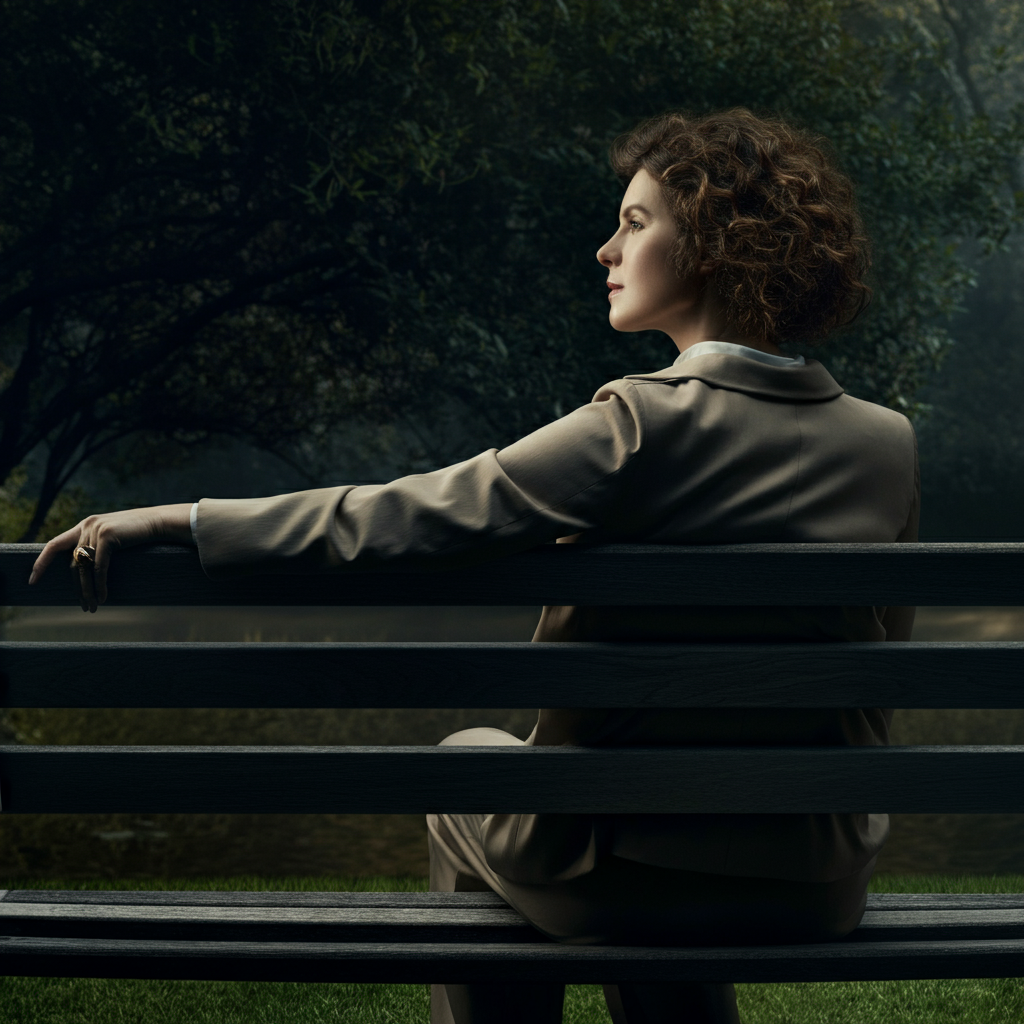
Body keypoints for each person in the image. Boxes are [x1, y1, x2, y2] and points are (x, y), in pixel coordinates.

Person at [31, 108, 919, 1024]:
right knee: (650, 852)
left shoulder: (641, 423)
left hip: (622, 881)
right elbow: (875, 677)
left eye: (635, 222)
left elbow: (395, 517)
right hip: (816, 882)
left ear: (711, 246)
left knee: (469, 764)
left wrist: (180, 517)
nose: (606, 250)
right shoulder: (887, 443)